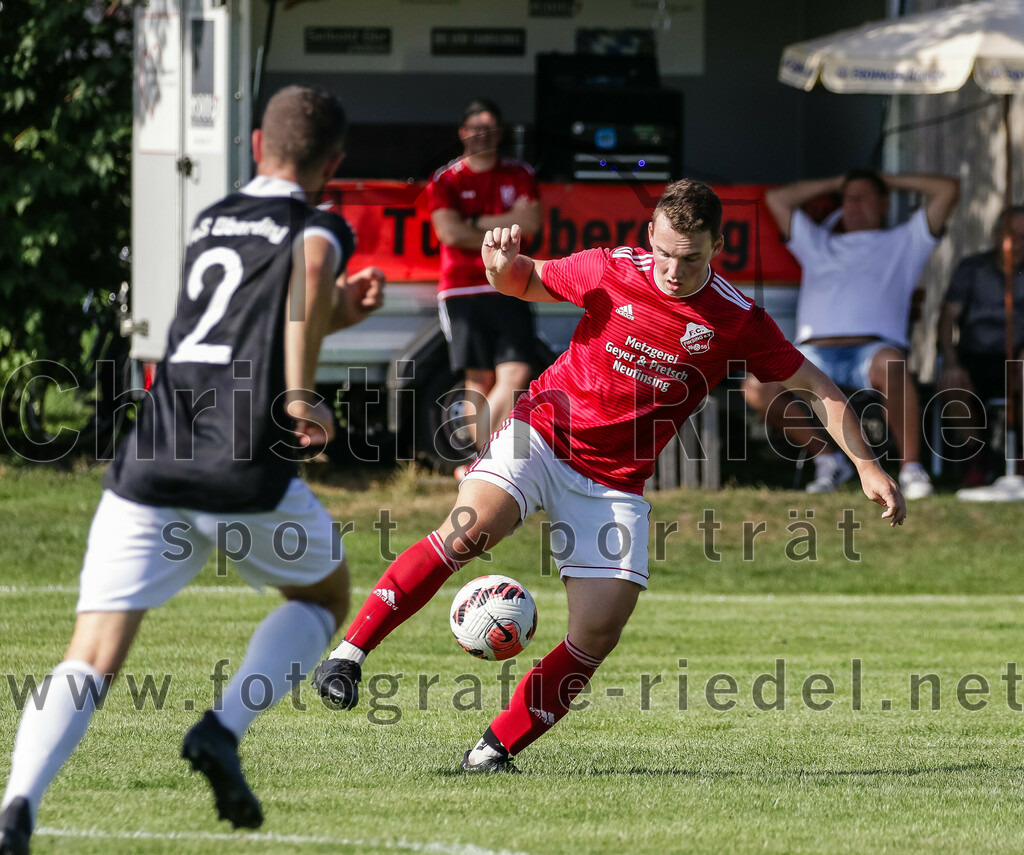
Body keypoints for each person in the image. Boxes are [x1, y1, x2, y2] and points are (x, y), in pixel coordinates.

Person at [311, 179, 906, 772]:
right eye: (666, 252)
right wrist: (498, 270)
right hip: (542, 433)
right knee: (471, 529)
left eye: (691, 257)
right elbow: (524, 280)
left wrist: (867, 465)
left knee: (598, 630)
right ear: (651, 235)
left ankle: (491, 753)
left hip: (616, 481)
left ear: (717, 246)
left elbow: (818, 387)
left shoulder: (737, 317)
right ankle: (347, 656)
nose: (673, 269)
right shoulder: (608, 268)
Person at [0, 86, 385, 854]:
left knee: (94, 651)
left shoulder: (212, 218)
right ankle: (220, 727)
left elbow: (253, 318)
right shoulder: (317, 222)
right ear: (333, 164)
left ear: (253, 146)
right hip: (241, 464)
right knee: (324, 596)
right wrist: (304, 391)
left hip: (152, 459)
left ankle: (15, 809)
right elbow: (306, 278)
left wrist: (336, 315)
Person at [742, 169, 959, 498]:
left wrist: (886, 179)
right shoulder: (817, 242)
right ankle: (829, 462)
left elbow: (947, 188)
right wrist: (836, 181)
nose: (853, 204)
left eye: (863, 197)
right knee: (757, 386)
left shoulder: (906, 241)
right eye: (847, 199)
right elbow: (777, 199)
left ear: (884, 203)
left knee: (893, 365)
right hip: (812, 354)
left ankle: (912, 469)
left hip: (872, 351)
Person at [428, 98, 542, 473]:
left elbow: (532, 225)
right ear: (463, 133)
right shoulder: (447, 179)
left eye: (490, 127)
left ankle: (481, 463)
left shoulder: (520, 172)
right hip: (462, 289)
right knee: (478, 378)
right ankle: (486, 464)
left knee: (517, 371)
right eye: (475, 127)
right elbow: (449, 232)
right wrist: (503, 223)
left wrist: (473, 222)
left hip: (511, 284)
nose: (482, 134)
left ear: (501, 133)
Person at [937, 206, 1024, 485]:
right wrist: (950, 359)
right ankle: (976, 457)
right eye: (1012, 234)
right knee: (952, 383)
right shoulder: (972, 268)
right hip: (973, 356)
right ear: (996, 234)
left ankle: (1020, 456)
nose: (1018, 242)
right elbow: (947, 316)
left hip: (1019, 356)